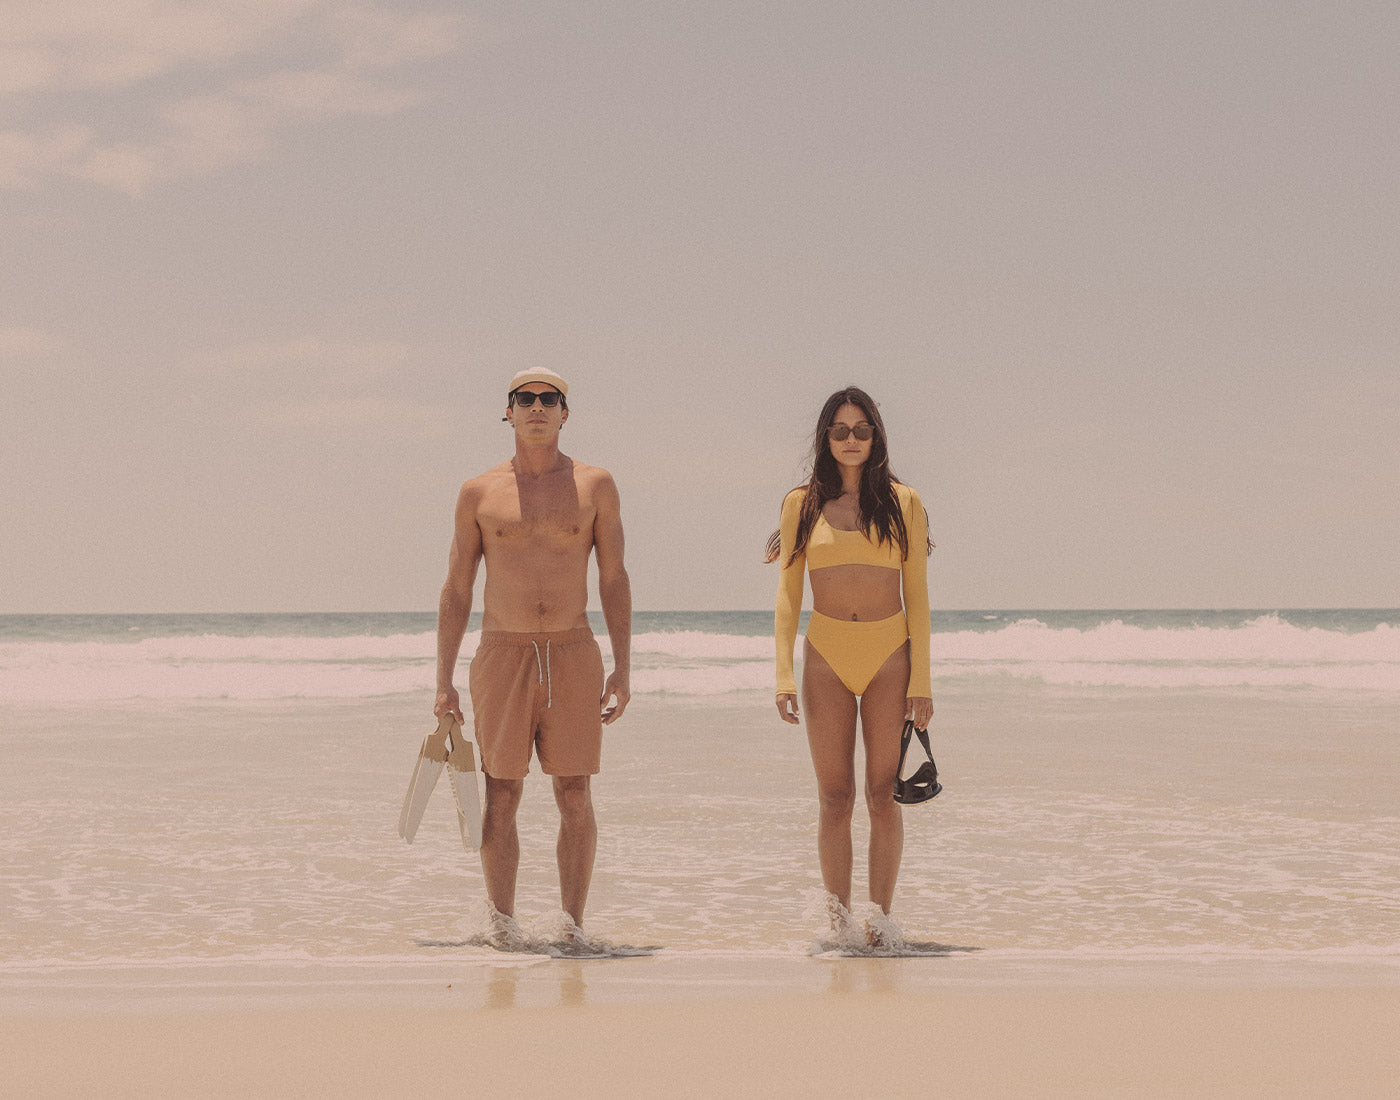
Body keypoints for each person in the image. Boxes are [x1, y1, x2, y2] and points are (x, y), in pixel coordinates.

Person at [435, 367, 631, 949]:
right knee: (502, 792)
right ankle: (502, 928)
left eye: (550, 400)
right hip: (503, 652)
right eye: (526, 399)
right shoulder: (479, 491)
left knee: (575, 793)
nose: (538, 408)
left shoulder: (596, 484)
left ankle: (571, 928)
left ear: (566, 412)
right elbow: (457, 589)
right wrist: (443, 681)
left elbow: (614, 578)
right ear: (509, 411)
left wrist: (623, 664)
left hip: (573, 650)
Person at [768, 386, 933, 947]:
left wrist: (923, 681)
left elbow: (919, 596)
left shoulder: (904, 502)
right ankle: (838, 926)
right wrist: (783, 675)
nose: (851, 440)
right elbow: (789, 594)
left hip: (890, 656)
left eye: (862, 430)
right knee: (835, 798)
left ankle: (880, 924)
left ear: (876, 436)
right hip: (826, 656)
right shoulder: (801, 504)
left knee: (882, 794)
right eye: (840, 430)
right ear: (825, 438)